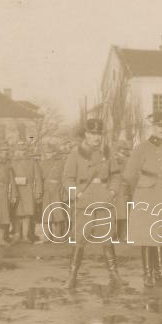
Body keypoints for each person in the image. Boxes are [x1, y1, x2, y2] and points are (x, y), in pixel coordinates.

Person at [63, 118, 122, 291]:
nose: (97, 137)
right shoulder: (75, 154)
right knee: (79, 239)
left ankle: (114, 275)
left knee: (107, 237)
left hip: (103, 198)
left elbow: (116, 175)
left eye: (99, 134)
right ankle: (72, 277)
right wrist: (77, 193)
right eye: (93, 133)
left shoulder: (107, 153)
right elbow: (67, 179)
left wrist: (112, 191)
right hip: (85, 200)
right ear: (86, 134)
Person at [123, 112, 162, 288]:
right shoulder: (142, 148)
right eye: (159, 126)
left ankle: (161, 272)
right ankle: (148, 273)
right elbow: (129, 175)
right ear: (153, 127)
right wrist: (136, 195)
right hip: (147, 195)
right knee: (148, 234)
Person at [10, 141, 43, 243]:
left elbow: (38, 177)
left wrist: (38, 191)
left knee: (27, 214)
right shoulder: (11, 162)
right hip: (15, 190)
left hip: (28, 190)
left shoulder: (32, 162)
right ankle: (17, 235)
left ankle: (25, 236)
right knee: (16, 213)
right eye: (19, 150)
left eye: (23, 150)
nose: (22, 152)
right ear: (15, 151)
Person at [40, 139, 67, 239]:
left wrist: (63, 189)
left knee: (58, 212)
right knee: (47, 213)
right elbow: (40, 178)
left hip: (57, 189)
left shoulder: (60, 163)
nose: (48, 154)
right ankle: (47, 235)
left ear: (54, 153)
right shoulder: (42, 163)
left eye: (50, 152)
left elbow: (64, 177)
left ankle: (58, 234)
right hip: (46, 190)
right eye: (46, 152)